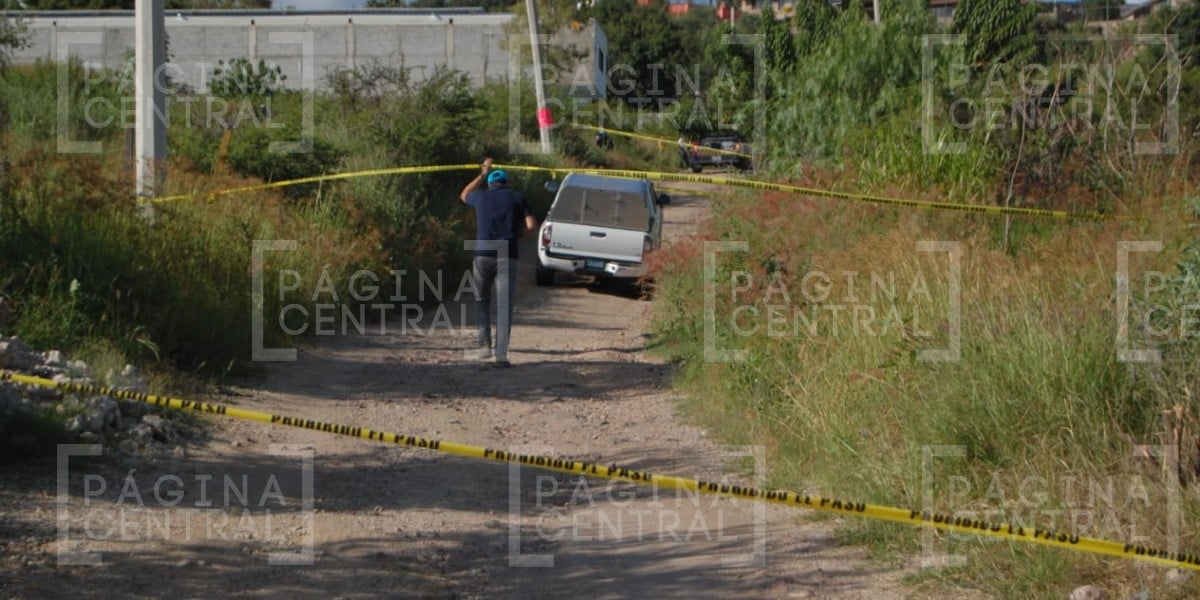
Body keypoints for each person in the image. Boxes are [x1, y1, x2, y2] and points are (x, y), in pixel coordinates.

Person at [459, 158, 537, 368]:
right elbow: (531, 225)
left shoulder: (480, 196)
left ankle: (483, 347)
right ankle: (500, 356)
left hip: (482, 253)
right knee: (504, 306)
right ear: (506, 183)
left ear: (491, 183)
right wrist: (518, 237)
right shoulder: (518, 198)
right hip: (507, 254)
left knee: (482, 300)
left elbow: (464, 194)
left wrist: (482, 174)